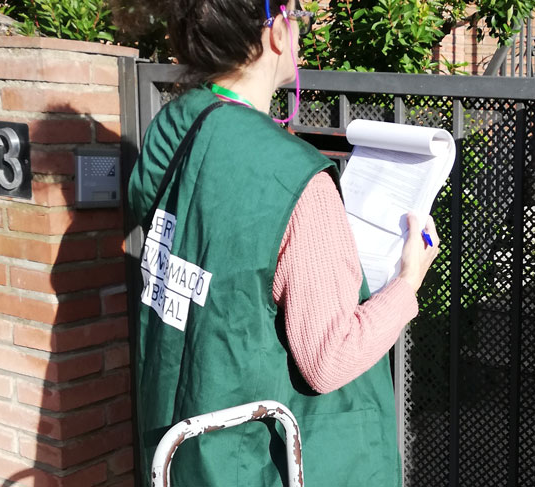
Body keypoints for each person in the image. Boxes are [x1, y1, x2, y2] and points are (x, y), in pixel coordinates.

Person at [128, 0, 440, 485]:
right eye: (298, 18)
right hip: (261, 462)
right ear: (275, 33)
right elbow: (328, 358)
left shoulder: (175, 127)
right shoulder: (296, 179)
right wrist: (408, 280)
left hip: (181, 452)